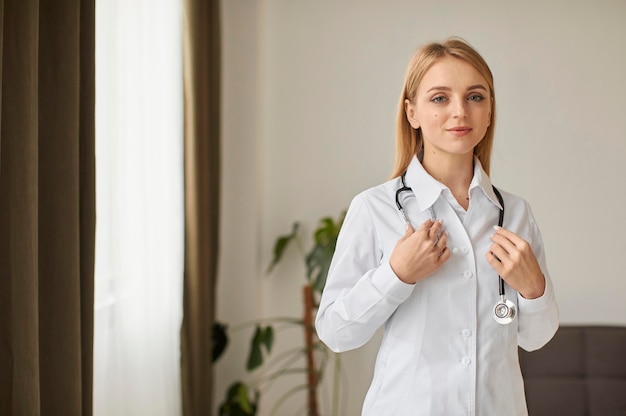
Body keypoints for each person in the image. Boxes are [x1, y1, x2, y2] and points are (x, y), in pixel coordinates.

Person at [315, 37, 559, 416]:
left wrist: (532, 290)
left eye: (475, 97)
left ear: (490, 110)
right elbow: (335, 332)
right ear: (411, 112)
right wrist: (397, 275)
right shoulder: (375, 208)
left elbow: (534, 337)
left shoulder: (514, 213)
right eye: (440, 98)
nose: (460, 111)